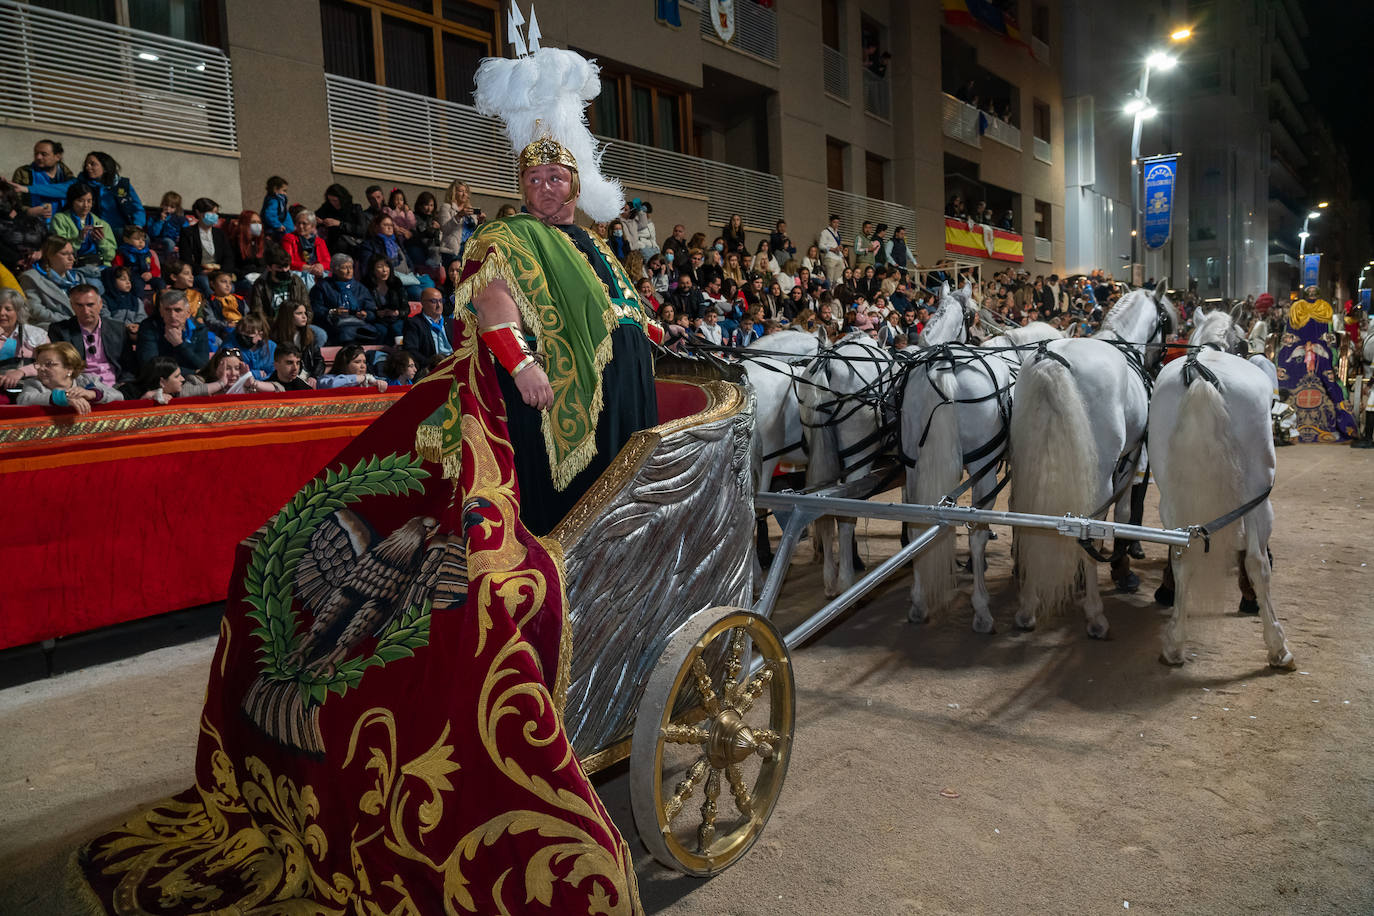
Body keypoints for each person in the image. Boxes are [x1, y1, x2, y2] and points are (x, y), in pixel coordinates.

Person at [1275, 286, 1358, 442]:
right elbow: (1328, 337)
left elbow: (1288, 335)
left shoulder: (1296, 308)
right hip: (1321, 358)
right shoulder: (1324, 308)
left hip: (1293, 360)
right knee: (1331, 381)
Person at [47, 283, 133, 388]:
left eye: (90, 305)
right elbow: (59, 367)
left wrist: (125, 384)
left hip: (115, 386)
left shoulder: (118, 328)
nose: (86, 311)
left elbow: (129, 365)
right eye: (79, 305)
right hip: (78, 386)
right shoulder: (59, 330)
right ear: (72, 305)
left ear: (100, 304)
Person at [19, 340, 123, 412]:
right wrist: (64, 397)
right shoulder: (34, 383)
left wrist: (92, 394)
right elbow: (24, 399)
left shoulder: (87, 380)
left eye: (48, 364)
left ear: (69, 368)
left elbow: (118, 396)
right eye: (39, 364)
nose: (41, 368)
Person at [357, 214, 433, 299]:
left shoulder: (396, 242)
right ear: (376, 227)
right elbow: (366, 268)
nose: (389, 228)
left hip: (408, 277)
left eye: (391, 225)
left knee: (430, 287)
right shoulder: (369, 245)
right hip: (391, 281)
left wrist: (411, 271)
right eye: (385, 225)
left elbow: (407, 260)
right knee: (418, 293)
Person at [20, 237, 88, 327]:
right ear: (49, 255)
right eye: (64, 254)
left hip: (80, 325)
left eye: (72, 253)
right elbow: (35, 310)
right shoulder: (31, 277)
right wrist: (69, 320)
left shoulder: (78, 278)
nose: (72, 258)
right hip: (53, 326)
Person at [310, 253, 378, 343]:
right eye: (345, 268)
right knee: (345, 333)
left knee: (378, 331)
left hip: (359, 323)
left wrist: (366, 314)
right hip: (333, 325)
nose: (349, 271)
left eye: (351, 267)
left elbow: (371, 310)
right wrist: (333, 311)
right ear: (335, 270)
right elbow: (315, 309)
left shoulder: (360, 288)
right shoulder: (322, 287)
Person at [137, 288, 209, 372]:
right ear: (161, 311)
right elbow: (149, 365)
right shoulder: (149, 326)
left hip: (189, 381)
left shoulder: (200, 329)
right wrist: (192, 372)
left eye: (178, 310)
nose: (172, 315)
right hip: (160, 382)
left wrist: (179, 344)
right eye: (167, 310)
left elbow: (202, 365)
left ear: (188, 313)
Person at [50, 182, 115, 274]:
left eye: (89, 201)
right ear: (71, 201)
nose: (86, 205)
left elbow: (110, 256)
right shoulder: (60, 219)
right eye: (80, 201)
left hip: (100, 266)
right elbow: (59, 250)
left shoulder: (102, 224)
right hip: (74, 267)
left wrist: (102, 241)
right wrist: (79, 239)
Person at [6, 138, 74, 221]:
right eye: (36, 153)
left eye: (44, 154)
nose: (38, 157)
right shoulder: (23, 172)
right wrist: (28, 211)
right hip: (32, 224)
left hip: (62, 223)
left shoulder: (66, 175)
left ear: (57, 156)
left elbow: (70, 192)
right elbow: (14, 200)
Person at [80, 151, 145, 231]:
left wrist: (137, 225)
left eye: (92, 164)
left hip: (123, 229)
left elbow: (137, 208)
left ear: (105, 168)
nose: (88, 167)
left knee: (142, 240)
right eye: (86, 165)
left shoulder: (122, 184)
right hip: (98, 229)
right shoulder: (82, 184)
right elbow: (62, 189)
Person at [0, 288, 49, 390]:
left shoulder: (36, 334)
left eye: (8, 309)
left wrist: (21, 371)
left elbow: (49, 364)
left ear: (18, 312)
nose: (1, 313)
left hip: (29, 388)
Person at [177, 197, 235, 280]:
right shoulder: (188, 233)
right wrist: (201, 271)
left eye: (216, 212)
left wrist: (222, 272)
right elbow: (186, 258)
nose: (215, 215)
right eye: (211, 212)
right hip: (199, 274)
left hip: (219, 274)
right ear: (199, 213)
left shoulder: (220, 234)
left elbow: (228, 257)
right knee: (204, 282)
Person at [248, 245, 309, 322]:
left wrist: (303, 325)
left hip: (295, 322)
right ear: (269, 268)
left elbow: (307, 307)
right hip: (272, 324)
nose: (284, 270)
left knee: (320, 333)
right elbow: (257, 312)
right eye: (279, 267)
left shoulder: (296, 281)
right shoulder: (260, 284)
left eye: (286, 266)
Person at [401, 286, 455, 373]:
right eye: (434, 301)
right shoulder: (414, 323)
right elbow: (411, 350)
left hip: (453, 364)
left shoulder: (451, 322)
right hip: (431, 368)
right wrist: (431, 363)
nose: (438, 305)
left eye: (440, 301)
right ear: (423, 303)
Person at [280, 209, 330, 289]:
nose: (300, 226)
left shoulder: (319, 241)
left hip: (317, 272)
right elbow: (288, 260)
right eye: (298, 223)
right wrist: (308, 268)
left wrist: (320, 266)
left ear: (313, 226)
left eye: (304, 224)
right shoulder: (289, 238)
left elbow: (328, 262)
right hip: (298, 272)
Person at [438, 179, 484, 264]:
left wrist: (480, 222)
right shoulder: (447, 207)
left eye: (466, 192)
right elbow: (445, 229)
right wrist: (458, 216)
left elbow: (476, 234)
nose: (464, 194)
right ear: (453, 193)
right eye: (461, 191)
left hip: (470, 250)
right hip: (453, 250)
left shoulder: (471, 210)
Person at [110, 225, 161, 302]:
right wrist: (125, 276)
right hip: (132, 277)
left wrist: (150, 274)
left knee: (160, 283)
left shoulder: (147, 253)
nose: (141, 242)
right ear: (126, 239)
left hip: (147, 275)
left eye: (143, 240)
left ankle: (161, 304)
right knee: (138, 285)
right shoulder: (122, 253)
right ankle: (138, 305)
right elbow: (117, 269)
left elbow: (156, 269)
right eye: (137, 239)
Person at [316, 183, 366, 256]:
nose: (333, 203)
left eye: (335, 200)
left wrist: (339, 224)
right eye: (330, 200)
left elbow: (362, 230)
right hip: (331, 245)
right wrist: (319, 221)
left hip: (350, 246)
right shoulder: (327, 207)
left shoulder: (354, 209)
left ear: (342, 199)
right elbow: (316, 216)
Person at [316, 344, 388, 391]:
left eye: (364, 362)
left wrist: (380, 384)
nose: (363, 366)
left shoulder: (368, 381)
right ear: (344, 364)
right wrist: (356, 378)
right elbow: (331, 385)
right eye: (357, 362)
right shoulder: (325, 379)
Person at [120, 354, 186, 403]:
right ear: (162, 382)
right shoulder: (127, 392)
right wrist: (142, 401)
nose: (183, 379)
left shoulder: (180, 389)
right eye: (177, 376)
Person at [228, 208, 268, 286]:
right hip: (243, 279)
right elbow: (231, 265)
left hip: (262, 277)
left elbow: (269, 262)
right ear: (244, 224)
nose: (257, 225)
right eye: (253, 222)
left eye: (259, 222)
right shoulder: (233, 242)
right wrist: (246, 275)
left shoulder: (265, 242)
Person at [202, 269, 246, 339]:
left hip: (242, 327)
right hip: (223, 330)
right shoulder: (210, 301)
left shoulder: (239, 299)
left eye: (230, 282)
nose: (228, 285)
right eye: (223, 282)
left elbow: (247, 314)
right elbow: (210, 320)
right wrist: (226, 324)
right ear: (212, 284)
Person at [148, 191, 186, 262]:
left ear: (176, 208)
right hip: (159, 239)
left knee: (174, 242)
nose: (168, 209)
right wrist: (160, 221)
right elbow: (153, 233)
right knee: (169, 242)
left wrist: (181, 237)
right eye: (166, 205)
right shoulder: (155, 217)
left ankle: (174, 262)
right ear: (162, 204)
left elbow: (187, 230)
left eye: (172, 207)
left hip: (175, 241)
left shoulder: (180, 219)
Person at [818, 213, 846, 284]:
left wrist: (842, 254)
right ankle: (829, 294)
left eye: (837, 223)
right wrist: (832, 249)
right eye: (834, 222)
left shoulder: (837, 233)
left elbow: (837, 245)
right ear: (830, 222)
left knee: (838, 280)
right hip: (830, 257)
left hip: (838, 257)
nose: (836, 224)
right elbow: (821, 245)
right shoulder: (825, 232)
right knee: (830, 279)